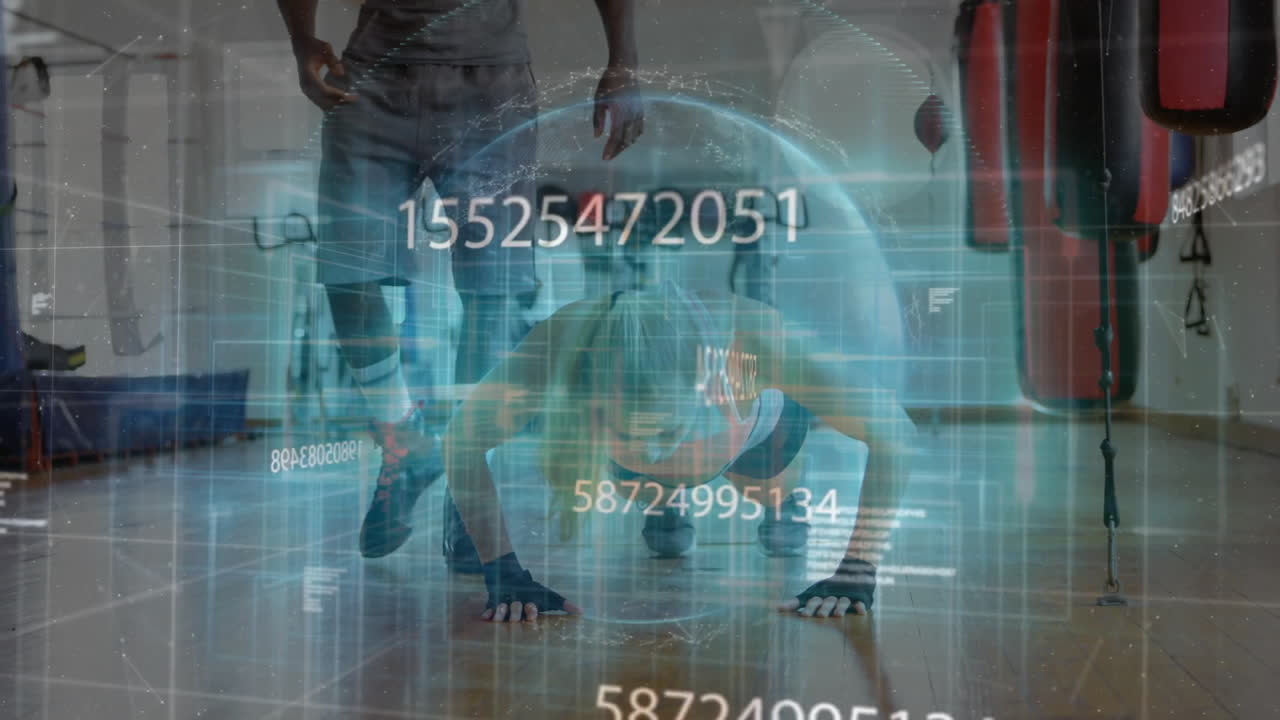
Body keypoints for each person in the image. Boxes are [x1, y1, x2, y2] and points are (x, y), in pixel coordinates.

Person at [275, 0, 645, 571]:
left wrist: (624, 60)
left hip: (491, 85)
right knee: (348, 274)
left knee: (491, 289)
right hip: (372, 75)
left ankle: (467, 485)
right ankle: (406, 442)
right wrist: (300, 38)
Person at [442, 283, 917, 622]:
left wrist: (858, 568)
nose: (650, 448)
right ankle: (666, 500)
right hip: (647, 452)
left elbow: (895, 432)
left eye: (666, 430)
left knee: (766, 494)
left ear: (706, 382)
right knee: (649, 505)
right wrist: (502, 570)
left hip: (756, 433)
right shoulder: (562, 341)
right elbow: (461, 439)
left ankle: (784, 498)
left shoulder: (755, 342)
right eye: (627, 431)